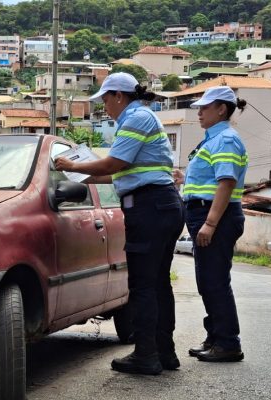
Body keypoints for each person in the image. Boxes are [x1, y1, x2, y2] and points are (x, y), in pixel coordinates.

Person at [54, 73, 184, 375]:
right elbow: (115, 174)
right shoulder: (142, 117)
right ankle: (164, 353)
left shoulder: (136, 118)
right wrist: (79, 174)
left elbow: (114, 164)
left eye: (105, 100)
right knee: (158, 284)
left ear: (118, 96)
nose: (104, 107)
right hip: (160, 205)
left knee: (143, 286)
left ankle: (146, 355)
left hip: (150, 208)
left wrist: (73, 165)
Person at [180, 86, 248, 362]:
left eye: (205, 107)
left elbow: (226, 182)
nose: (199, 112)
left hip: (216, 216)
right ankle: (216, 337)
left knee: (215, 281)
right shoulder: (212, 139)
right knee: (207, 282)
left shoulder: (226, 139)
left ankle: (229, 342)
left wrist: (209, 223)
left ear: (222, 109)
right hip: (205, 214)